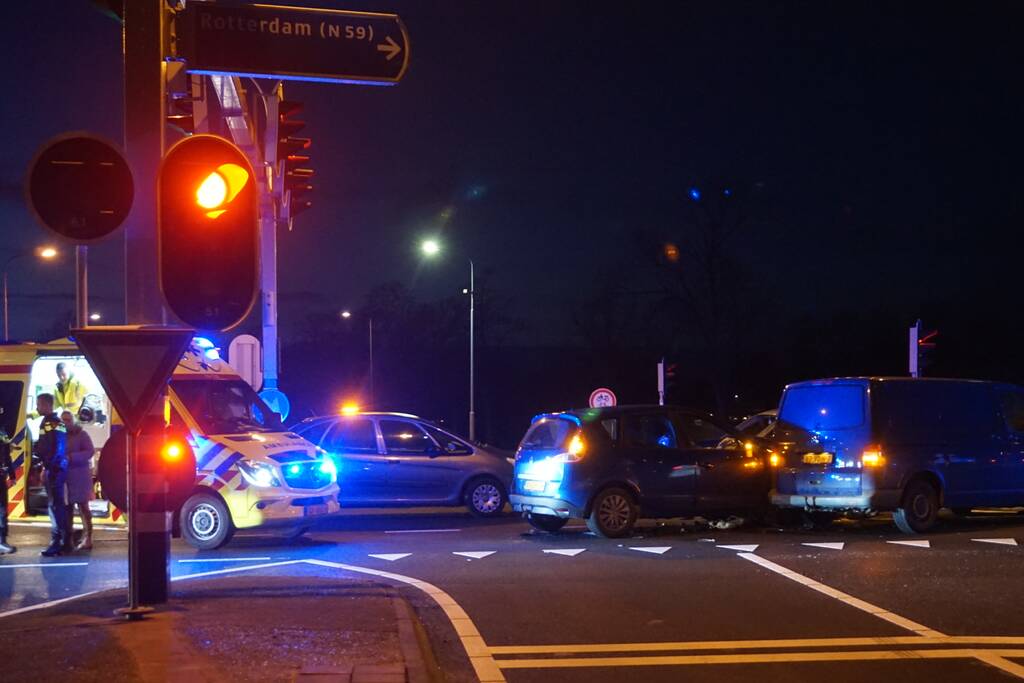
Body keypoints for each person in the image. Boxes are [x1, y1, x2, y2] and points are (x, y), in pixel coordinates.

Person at [34, 394, 68, 557]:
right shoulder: (51, 422)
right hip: (54, 468)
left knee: (55, 506)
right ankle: (61, 541)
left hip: (55, 470)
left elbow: (58, 447)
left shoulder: (52, 422)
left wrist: (50, 466)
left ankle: (57, 543)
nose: (37, 408)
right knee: (55, 505)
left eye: (39, 404)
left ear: (47, 405)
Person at [61, 410, 94, 552]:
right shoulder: (60, 435)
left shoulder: (82, 434)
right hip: (65, 478)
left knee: (83, 508)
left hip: (80, 477)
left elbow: (90, 452)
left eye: (68, 419)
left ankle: (88, 538)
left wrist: (72, 457)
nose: (65, 422)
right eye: (63, 420)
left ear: (73, 420)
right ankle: (68, 539)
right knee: (67, 509)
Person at [0, 419, 16, 555]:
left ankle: (2, 541)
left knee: (2, 509)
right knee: (1, 509)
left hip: (1, 474)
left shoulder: (2, 430)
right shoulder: (2, 430)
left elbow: (6, 453)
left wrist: (12, 474)